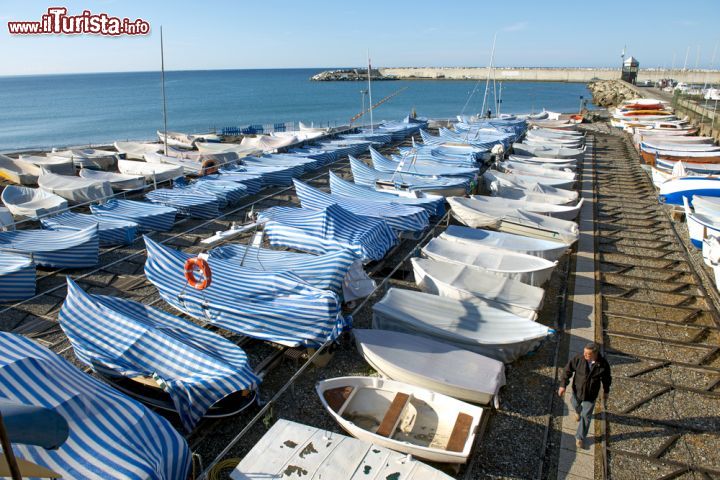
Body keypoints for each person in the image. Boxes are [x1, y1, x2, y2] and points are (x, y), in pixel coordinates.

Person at [558, 342, 611, 449]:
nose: (585, 355)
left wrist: (606, 391)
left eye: (588, 354)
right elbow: (567, 370)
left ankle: (580, 437)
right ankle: (578, 411)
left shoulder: (603, 364)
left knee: (586, 416)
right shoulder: (579, 359)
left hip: (591, 395)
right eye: (584, 352)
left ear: (595, 354)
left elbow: (607, 379)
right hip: (577, 391)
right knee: (574, 403)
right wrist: (563, 385)